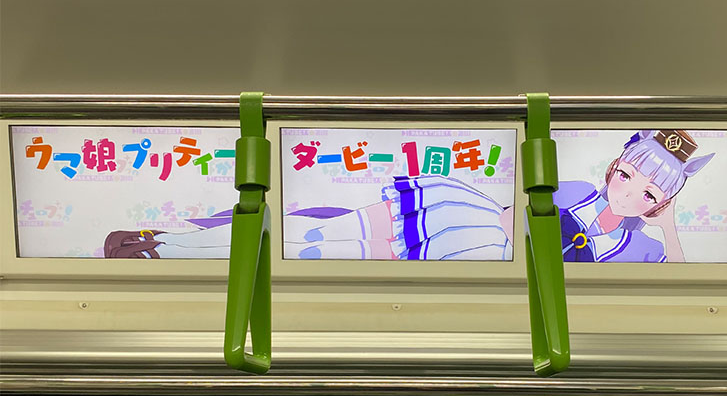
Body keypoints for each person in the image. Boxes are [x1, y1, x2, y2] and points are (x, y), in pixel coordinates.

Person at [104, 175, 514, 261]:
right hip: (458, 223)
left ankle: (164, 245)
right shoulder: (485, 221)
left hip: (453, 218)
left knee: (305, 241)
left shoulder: (473, 204)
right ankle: (164, 246)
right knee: (306, 243)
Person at [555, 129, 713, 263]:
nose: (628, 195)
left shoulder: (643, 248)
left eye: (648, 195)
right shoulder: (577, 193)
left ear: (660, 206)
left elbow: (678, 280)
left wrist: (668, 227)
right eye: (624, 176)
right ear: (613, 167)